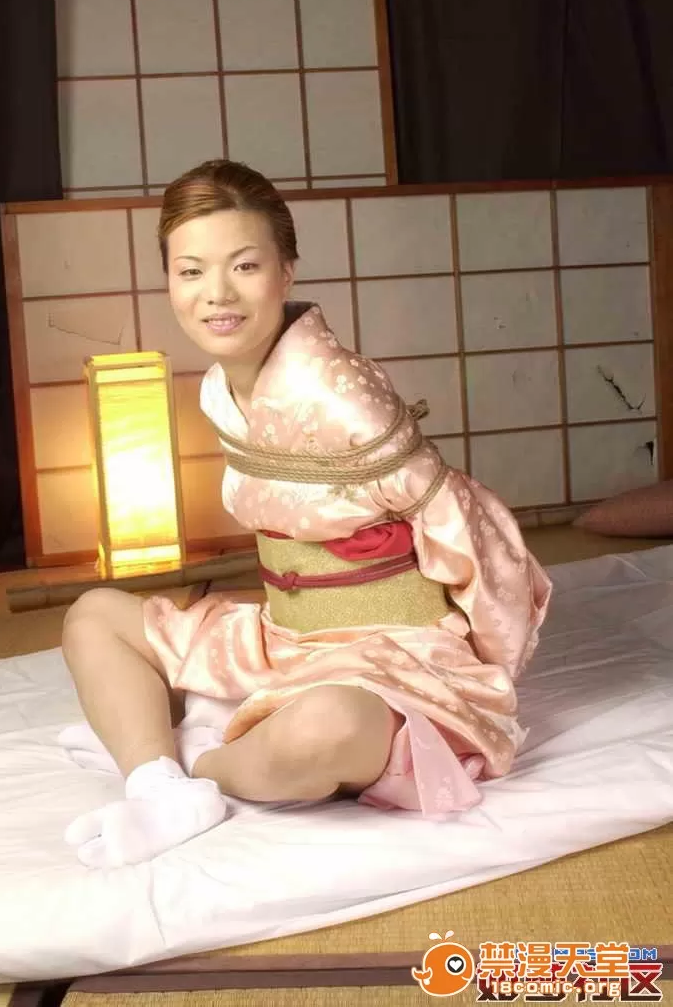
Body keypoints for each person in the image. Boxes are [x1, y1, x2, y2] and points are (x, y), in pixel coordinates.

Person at [60, 159, 552, 869]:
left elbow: (463, 521)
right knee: (94, 616)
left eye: (245, 266)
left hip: (391, 648)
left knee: (326, 729)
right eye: (191, 271)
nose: (216, 294)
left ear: (286, 272)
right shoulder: (219, 386)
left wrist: (487, 663)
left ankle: (192, 761)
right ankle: (159, 786)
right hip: (285, 638)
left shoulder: (338, 393)